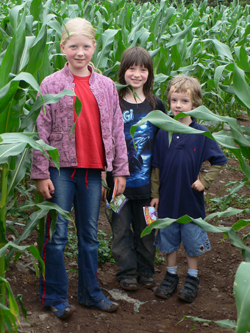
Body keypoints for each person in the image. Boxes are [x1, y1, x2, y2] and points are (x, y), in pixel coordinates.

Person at [31, 17, 129, 319]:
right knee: (57, 236)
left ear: (94, 47)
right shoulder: (51, 84)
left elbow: (115, 129)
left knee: (89, 236)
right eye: (73, 46)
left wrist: (119, 171)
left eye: (85, 46)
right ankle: (56, 296)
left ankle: (90, 293)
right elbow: (40, 132)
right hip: (60, 171)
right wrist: (41, 173)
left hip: (92, 172)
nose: (80, 52)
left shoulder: (107, 86)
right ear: (63, 48)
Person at [150, 76, 227, 303]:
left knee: (192, 242)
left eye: (184, 101)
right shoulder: (163, 132)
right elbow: (156, 168)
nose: (178, 105)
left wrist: (204, 181)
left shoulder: (201, 133)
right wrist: (155, 195)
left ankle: (192, 278)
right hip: (167, 200)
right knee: (168, 240)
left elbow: (219, 161)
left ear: (195, 105)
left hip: (191, 200)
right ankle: (171, 275)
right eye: (174, 100)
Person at [106, 47, 166, 291]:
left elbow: (162, 149)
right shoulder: (113, 103)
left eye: (143, 69)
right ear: (123, 70)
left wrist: (158, 189)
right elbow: (106, 142)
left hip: (146, 188)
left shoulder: (156, 105)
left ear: (149, 73)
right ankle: (127, 273)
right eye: (132, 68)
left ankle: (146, 272)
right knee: (119, 232)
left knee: (147, 232)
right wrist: (103, 178)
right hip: (117, 188)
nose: (137, 74)